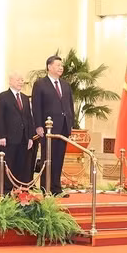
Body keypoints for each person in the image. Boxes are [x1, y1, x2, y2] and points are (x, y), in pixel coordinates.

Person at [32, 55, 75, 196]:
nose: (61, 67)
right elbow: (36, 106)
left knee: (59, 158)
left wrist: (70, 125)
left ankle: (57, 188)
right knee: (48, 158)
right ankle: (46, 188)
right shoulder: (40, 84)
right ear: (49, 67)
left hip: (63, 127)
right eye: (58, 65)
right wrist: (38, 125)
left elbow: (70, 106)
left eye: (61, 65)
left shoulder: (65, 85)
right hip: (48, 129)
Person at [0, 72, 35, 185]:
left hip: (24, 138)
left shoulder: (24, 98)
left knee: (22, 165)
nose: (21, 82)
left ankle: (20, 189)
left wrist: (30, 137)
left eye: (22, 80)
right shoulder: (3, 97)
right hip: (9, 137)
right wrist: (1, 136)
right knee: (9, 164)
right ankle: (7, 189)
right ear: (10, 81)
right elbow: (0, 118)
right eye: (18, 80)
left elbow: (28, 118)